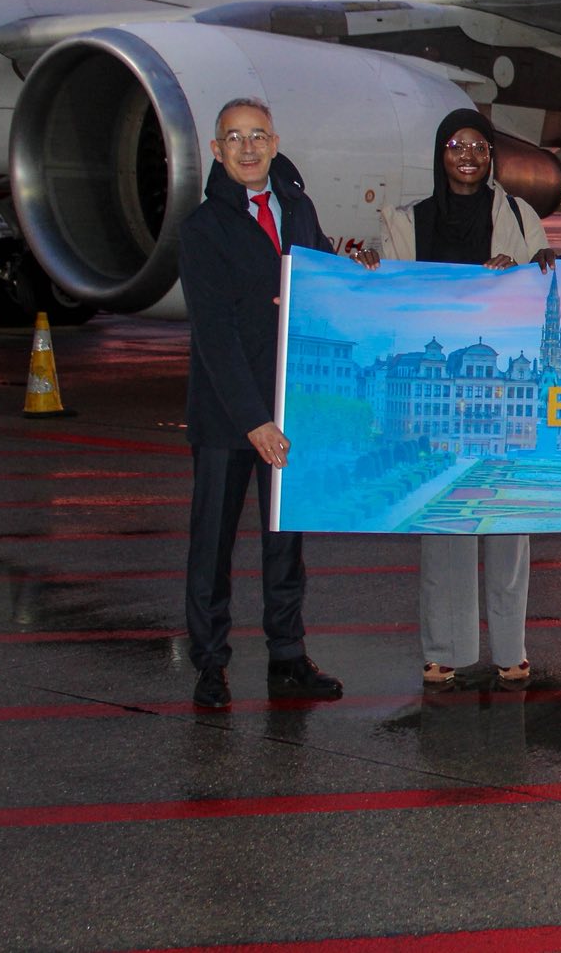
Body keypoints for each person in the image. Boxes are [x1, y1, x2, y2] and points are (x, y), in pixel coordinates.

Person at [376, 109, 555, 691]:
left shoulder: (520, 215)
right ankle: (445, 648)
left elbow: (542, 287)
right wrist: (363, 270)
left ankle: (510, 647)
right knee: (444, 531)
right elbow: (389, 301)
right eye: (456, 144)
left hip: (497, 397)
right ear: (441, 153)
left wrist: (524, 271)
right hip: (447, 394)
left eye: (479, 145)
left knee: (509, 528)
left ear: (492, 155)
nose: (468, 155)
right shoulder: (407, 222)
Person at [177, 97, 345, 710]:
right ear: (217, 151)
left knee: (284, 544)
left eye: (258, 136)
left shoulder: (297, 208)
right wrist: (254, 422)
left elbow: (320, 272)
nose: (248, 148)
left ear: (274, 143)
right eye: (234, 138)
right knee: (212, 547)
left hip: (290, 406)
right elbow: (213, 337)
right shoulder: (203, 230)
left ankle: (287, 656)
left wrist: (354, 269)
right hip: (230, 417)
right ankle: (210, 663)